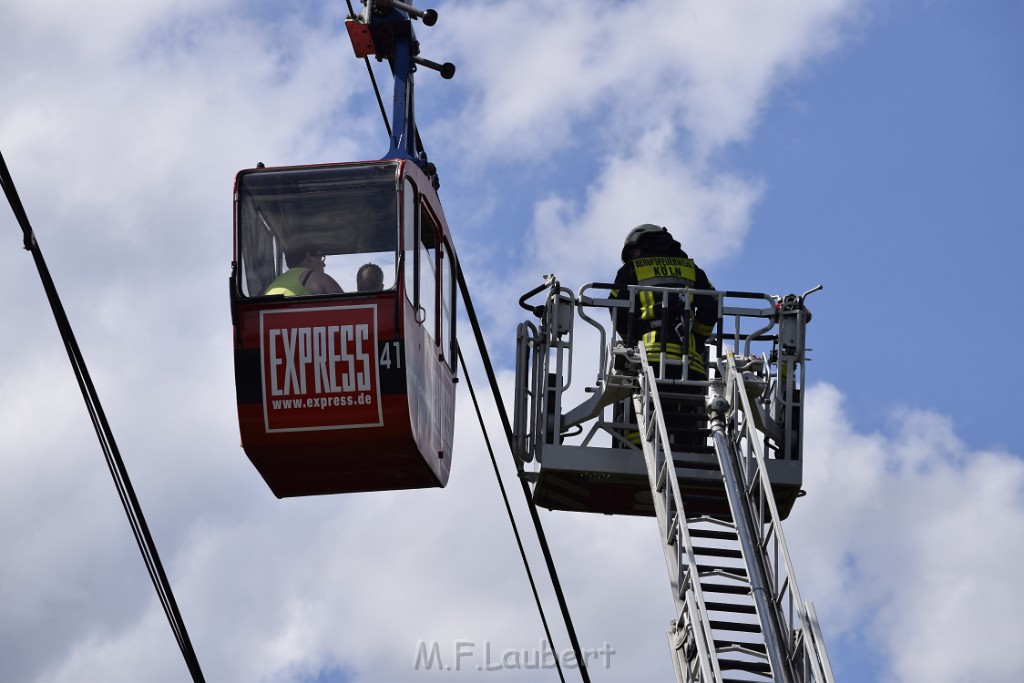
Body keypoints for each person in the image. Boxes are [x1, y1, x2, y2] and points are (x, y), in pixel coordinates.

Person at [610, 224, 717, 449]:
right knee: (684, 415)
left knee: (638, 410)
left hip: (648, 360)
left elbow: (617, 309)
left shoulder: (632, 269)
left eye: (633, 251)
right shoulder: (692, 269)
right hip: (689, 363)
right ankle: (688, 450)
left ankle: (636, 454)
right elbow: (711, 306)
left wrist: (631, 341)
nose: (633, 256)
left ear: (643, 244)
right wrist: (695, 339)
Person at [262, 244, 343, 296]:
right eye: (321, 258)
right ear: (309, 257)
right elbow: (345, 306)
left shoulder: (275, 283)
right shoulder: (317, 277)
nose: (324, 264)